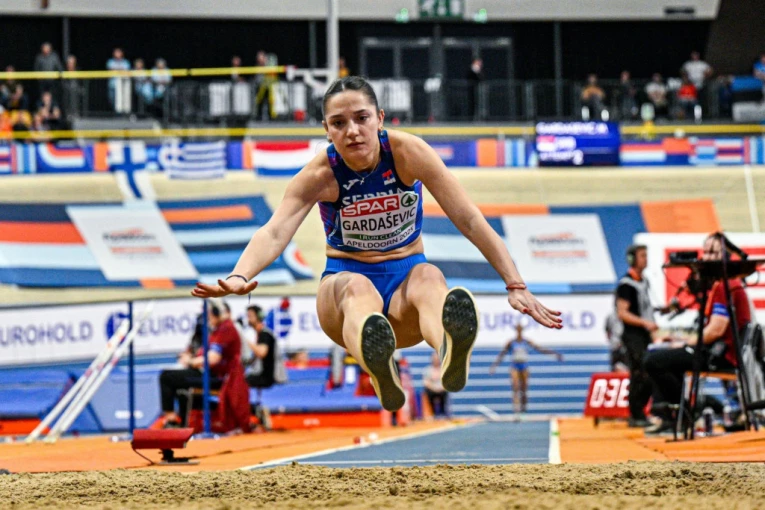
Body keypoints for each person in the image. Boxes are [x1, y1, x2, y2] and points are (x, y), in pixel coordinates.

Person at [191, 76, 562, 412]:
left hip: (405, 296)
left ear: (380, 119)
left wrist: (515, 283)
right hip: (343, 291)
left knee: (430, 276)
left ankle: (448, 348)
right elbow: (274, 231)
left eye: (361, 118)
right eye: (339, 123)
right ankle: (378, 363)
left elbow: (469, 218)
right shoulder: (320, 174)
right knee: (358, 287)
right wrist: (239, 275)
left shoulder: (408, 153)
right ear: (327, 130)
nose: (352, 131)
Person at [644, 233, 751, 434]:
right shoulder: (722, 285)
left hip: (720, 356)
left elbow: (715, 330)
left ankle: (682, 416)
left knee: (654, 360)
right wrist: (682, 340)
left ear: (726, 255)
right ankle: (677, 416)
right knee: (665, 357)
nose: (707, 257)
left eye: (713, 252)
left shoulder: (725, 286)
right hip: (716, 351)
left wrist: (686, 344)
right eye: (706, 252)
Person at [158, 299, 244, 428]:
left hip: (219, 378)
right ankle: (181, 423)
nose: (207, 318)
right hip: (211, 373)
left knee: (166, 377)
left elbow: (212, 359)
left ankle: (171, 420)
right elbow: (203, 354)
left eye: (209, 314)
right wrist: (191, 357)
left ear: (216, 313)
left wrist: (191, 362)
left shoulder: (226, 329)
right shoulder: (216, 330)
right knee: (179, 386)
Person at [615, 244, 658, 428]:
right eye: (642, 256)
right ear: (632, 259)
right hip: (633, 335)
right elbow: (622, 313)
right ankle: (636, 414)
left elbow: (645, 308)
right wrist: (645, 323)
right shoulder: (627, 284)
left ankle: (640, 412)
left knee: (648, 372)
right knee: (639, 373)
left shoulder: (643, 281)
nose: (645, 259)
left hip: (644, 334)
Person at [489, 323, 563, 414]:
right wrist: (494, 366)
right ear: (516, 330)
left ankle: (523, 410)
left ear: (522, 330)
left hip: (524, 366)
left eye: (520, 329)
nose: (519, 331)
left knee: (524, 389)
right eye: (518, 329)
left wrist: (554, 353)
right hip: (515, 366)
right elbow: (502, 354)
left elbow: (540, 349)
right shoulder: (511, 342)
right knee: (515, 388)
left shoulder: (526, 342)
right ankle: (516, 410)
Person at [244, 305, 277, 390]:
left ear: (258, 317)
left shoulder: (265, 334)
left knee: (238, 382)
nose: (248, 319)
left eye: (250, 316)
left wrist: (246, 342)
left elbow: (262, 353)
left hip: (266, 377)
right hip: (261, 374)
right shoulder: (260, 334)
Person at [422, 351, 448, 418]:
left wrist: (440, 388)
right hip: (432, 390)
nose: (436, 360)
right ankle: (432, 413)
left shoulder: (443, 369)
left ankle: (443, 413)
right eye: (434, 358)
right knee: (427, 392)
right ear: (432, 359)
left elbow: (447, 382)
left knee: (445, 392)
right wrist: (434, 388)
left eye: (437, 358)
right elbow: (426, 383)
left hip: (441, 390)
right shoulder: (427, 370)